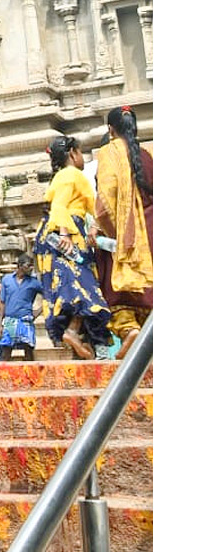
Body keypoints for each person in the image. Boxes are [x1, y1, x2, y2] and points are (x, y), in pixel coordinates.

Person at [33, 136, 111, 360]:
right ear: (72, 154)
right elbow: (59, 206)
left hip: (57, 234)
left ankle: (82, 340)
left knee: (65, 286)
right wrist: (66, 234)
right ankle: (74, 331)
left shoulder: (61, 176)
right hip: (67, 233)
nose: (83, 157)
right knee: (80, 286)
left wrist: (98, 226)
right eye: (81, 152)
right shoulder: (71, 175)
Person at [94, 104, 153, 360]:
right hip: (154, 233)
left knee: (117, 289)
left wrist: (112, 235)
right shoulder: (147, 154)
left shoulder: (109, 153)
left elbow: (105, 205)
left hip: (128, 236)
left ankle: (129, 330)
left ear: (110, 129)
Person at [0, 252, 45, 361]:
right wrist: (0, 325)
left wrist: (38, 311)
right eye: (28, 265)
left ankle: (31, 377)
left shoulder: (34, 283)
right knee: (6, 353)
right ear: (20, 266)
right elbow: (2, 303)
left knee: (28, 352)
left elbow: (48, 296)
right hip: (9, 321)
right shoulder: (7, 280)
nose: (31, 268)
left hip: (25, 320)